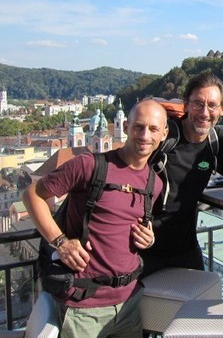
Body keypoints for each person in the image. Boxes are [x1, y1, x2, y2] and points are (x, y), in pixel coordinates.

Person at [22, 99, 168, 338]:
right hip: (84, 306)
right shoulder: (89, 165)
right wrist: (60, 242)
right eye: (138, 126)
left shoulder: (155, 183)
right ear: (126, 126)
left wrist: (148, 238)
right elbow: (32, 195)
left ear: (164, 133)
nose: (144, 135)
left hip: (129, 302)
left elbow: (129, 223)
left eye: (153, 129)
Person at [140, 70, 223, 277]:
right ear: (186, 105)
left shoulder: (219, 142)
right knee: (140, 309)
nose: (205, 113)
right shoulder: (164, 135)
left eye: (212, 105)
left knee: (197, 307)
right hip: (143, 249)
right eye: (198, 104)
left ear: (222, 110)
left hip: (185, 250)